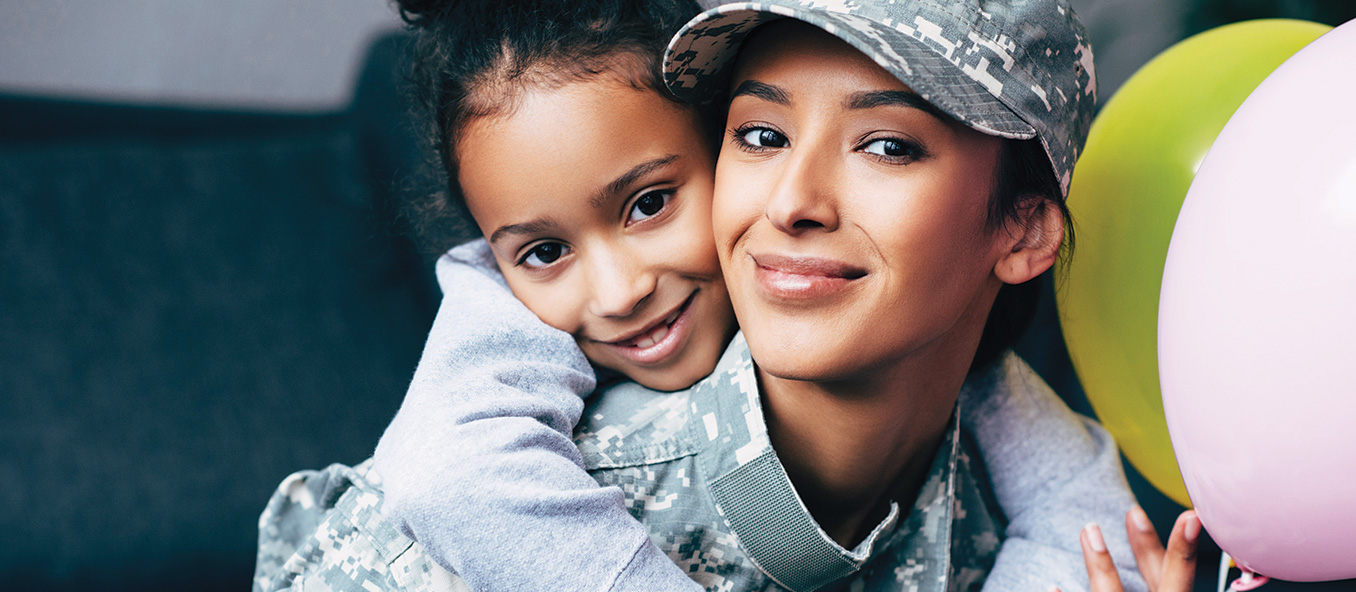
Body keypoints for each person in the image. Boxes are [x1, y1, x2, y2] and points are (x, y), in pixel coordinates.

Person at [253, 0, 1148, 590]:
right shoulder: (509, 399)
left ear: (1024, 229)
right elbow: (444, 470)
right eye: (760, 133)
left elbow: (1081, 496)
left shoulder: (982, 436)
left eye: (887, 146)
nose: (792, 201)